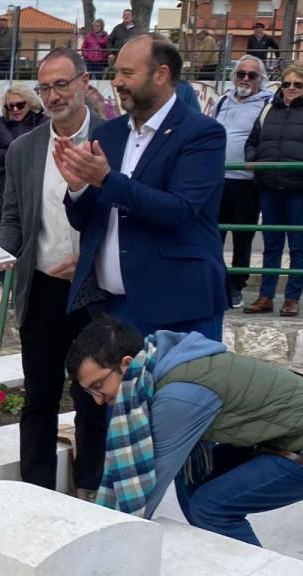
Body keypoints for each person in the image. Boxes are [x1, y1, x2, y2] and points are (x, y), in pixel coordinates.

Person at [67, 316, 303, 547]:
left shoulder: (178, 395)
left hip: (294, 443)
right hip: (279, 438)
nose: (98, 400)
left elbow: (148, 484)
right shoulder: (162, 359)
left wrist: (105, 544)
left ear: (126, 364)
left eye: (98, 386)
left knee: (210, 507)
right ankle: (217, 557)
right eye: (90, 392)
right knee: (192, 478)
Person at [55, 33, 227, 340]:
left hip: (178, 308)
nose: (116, 81)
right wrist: (79, 189)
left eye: (127, 73)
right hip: (110, 307)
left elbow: (180, 211)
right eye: (116, 71)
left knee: (178, 389)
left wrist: (107, 179)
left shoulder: (202, 134)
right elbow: (85, 221)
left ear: (161, 75)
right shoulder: (108, 133)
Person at [0, 48, 109, 501]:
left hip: (94, 293)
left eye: (63, 84)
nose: (54, 95)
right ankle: (34, 494)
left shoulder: (112, 140)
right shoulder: (24, 149)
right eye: (45, 87)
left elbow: (123, 218)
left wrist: (93, 259)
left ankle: (91, 490)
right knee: (38, 399)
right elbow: (14, 222)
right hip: (40, 289)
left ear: (84, 83)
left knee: (93, 400)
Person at [243, 63, 303, 317]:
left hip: (299, 187)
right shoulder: (268, 109)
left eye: (297, 84)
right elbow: (252, 141)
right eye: (286, 83)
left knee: (298, 244)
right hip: (269, 184)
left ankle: (292, 298)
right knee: (271, 243)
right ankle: (266, 295)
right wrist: (253, 160)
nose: (291, 89)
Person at [211, 56, 271, 310]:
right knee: (214, 234)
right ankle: (217, 282)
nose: (245, 79)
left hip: (247, 182)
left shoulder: (267, 104)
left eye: (251, 75)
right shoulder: (223, 100)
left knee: (243, 237)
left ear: (260, 80)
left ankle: (237, 286)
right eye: (241, 74)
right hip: (218, 178)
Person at [0, 83, 47, 303]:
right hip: (9, 187)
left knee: (38, 239)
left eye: (20, 105)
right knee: (9, 238)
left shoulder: (45, 122)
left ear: (31, 103)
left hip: (40, 186)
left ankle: (32, 286)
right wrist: (14, 153)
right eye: (10, 107)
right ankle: (5, 285)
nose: (15, 110)